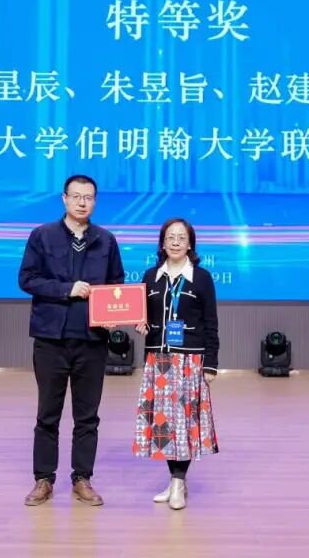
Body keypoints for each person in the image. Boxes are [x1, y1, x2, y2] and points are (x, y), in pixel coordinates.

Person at [18, 174, 125, 507]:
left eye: (88, 197)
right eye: (76, 196)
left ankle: (82, 478)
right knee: (47, 414)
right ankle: (43, 480)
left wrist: (115, 311)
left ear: (95, 201)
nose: (82, 202)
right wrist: (67, 289)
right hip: (51, 339)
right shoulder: (42, 235)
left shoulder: (106, 240)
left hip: (92, 340)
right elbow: (27, 279)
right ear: (64, 198)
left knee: (87, 417)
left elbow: (116, 283)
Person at [132, 217, 220, 510]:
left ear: (190, 244)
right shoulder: (150, 276)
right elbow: (143, 316)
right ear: (162, 242)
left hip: (189, 361)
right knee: (165, 425)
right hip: (158, 360)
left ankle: (178, 482)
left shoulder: (202, 278)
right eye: (170, 237)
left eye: (182, 237)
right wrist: (141, 325)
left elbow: (211, 324)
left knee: (184, 423)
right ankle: (174, 481)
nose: (176, 242)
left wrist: (211, 363)